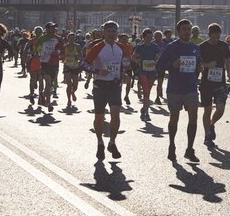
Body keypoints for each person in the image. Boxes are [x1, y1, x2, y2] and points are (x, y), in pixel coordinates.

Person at [85, 21, 133, 161]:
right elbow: (84, 65)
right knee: (99, 117)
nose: (112, 34)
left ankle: (112, 142)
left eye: (114, 31)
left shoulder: (122, 47)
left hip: (115, 86)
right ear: (104, 33)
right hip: (100, 86)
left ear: (117, 33)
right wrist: (98, 70)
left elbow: (125, 64)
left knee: (115, 115)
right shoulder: (97, 47)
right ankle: (100, 142)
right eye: (109, 31)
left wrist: (125, 72)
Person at [158, 19, 202, 162]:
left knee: (194, 118)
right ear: (178, 31)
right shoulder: (171, 47)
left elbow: (198, 66)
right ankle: (172, 145)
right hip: (175, 89)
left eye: (189, 29)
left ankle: (190, 149)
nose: (187, 31)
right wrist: (172, 64)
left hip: (191, 88)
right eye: (184, 29)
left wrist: (199, 70)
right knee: (174, 118)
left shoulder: (195, 48)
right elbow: (159, 65)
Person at [198, 23, 230, 145]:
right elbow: (199, 64)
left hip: (220, 83)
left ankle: (212, 123)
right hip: (206, 84)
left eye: (218, 37)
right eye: (213, 37)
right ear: (209, 35)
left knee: (220, 109)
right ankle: (207, 135)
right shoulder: (202, 47)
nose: (216, 40)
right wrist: (207, 65)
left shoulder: (223, 46)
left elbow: (228, 60)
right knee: (207, 110)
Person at [133, 29, 162, 122]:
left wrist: (157, 60)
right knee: (146, 91)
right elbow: (133, 57)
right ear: (143, 37)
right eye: (148, 37)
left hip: (152, 72)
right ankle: (147, 113)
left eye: (151, 37)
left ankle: (143, 109)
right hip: (143, 71)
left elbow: (159, 56)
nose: (150, 39)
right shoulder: (139, 47)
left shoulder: (155, 46)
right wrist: (138, 61)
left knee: (147, 92)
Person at [35, 23, 63, 112]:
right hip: (44, 63)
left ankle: (42, 95)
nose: (54, 29)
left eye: (54, 28)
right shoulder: (42, 38)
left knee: (50, 84)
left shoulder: (58, 38)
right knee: (47, 82)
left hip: (54, 63)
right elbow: (36, 47)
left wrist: (57, 52)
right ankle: (48, 103)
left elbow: (62, 49)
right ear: (46, 29)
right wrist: (38, 54)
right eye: (52, 28)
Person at [61, 34, 85, 110]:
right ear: (67, 39)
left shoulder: (77, 46)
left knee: (75, 85)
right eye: (70, 38)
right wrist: (63, 57)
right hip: (67, 66)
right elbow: (61, 56)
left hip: (75, 67)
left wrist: (79, 60)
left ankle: (73, 92)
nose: (71, 40)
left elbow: (81, 56)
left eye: (73, 38)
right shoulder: (65, 46)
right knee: (69, 84)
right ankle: (69, 100)